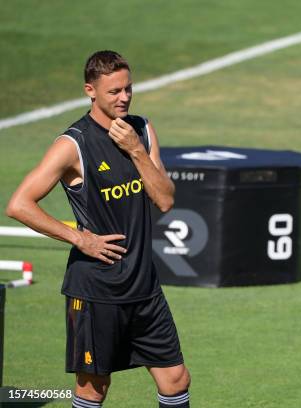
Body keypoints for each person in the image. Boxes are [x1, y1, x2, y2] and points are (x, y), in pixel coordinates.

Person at [6, 50, 191, 408]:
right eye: (114, 92)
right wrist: (79, 238)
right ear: (90, 90)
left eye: (128, 89)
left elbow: (165, 200)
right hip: (96, 290)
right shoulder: (72, 144)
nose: (124, 98)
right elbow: (19, 204)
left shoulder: (142, 130)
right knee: (94, 389)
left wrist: (136, 150)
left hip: (144, 286)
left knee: (175, 378)